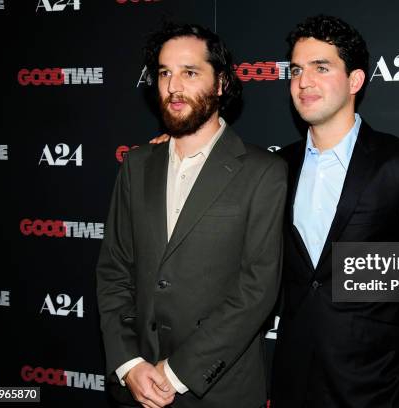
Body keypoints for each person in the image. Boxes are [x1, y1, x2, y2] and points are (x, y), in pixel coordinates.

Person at [270, 15, 399, 408]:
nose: (303, 81)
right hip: (291, 380)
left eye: (321, 67)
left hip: (376, 385)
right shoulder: (275, 167)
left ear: (355, 80)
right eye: (296, 70)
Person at [96, 22, 287, 408]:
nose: (173, 86)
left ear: (220, 85)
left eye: (190, 72)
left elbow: (257, 291)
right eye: (165, 72)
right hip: (136, 386)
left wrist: (174, 372)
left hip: (219, 390)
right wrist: (130, 363)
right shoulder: (135, 165)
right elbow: (114, 271)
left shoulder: (263, 171)